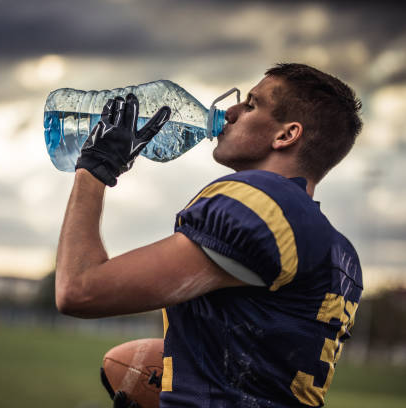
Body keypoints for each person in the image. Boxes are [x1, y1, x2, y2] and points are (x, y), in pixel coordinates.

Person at [55, 63, 363, 407]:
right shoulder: (340, 253)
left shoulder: (259, 201)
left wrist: (95, 169)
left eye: (250, 105)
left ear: (286, 135)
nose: (229, 112)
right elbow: (257, 367)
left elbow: (79, 289)